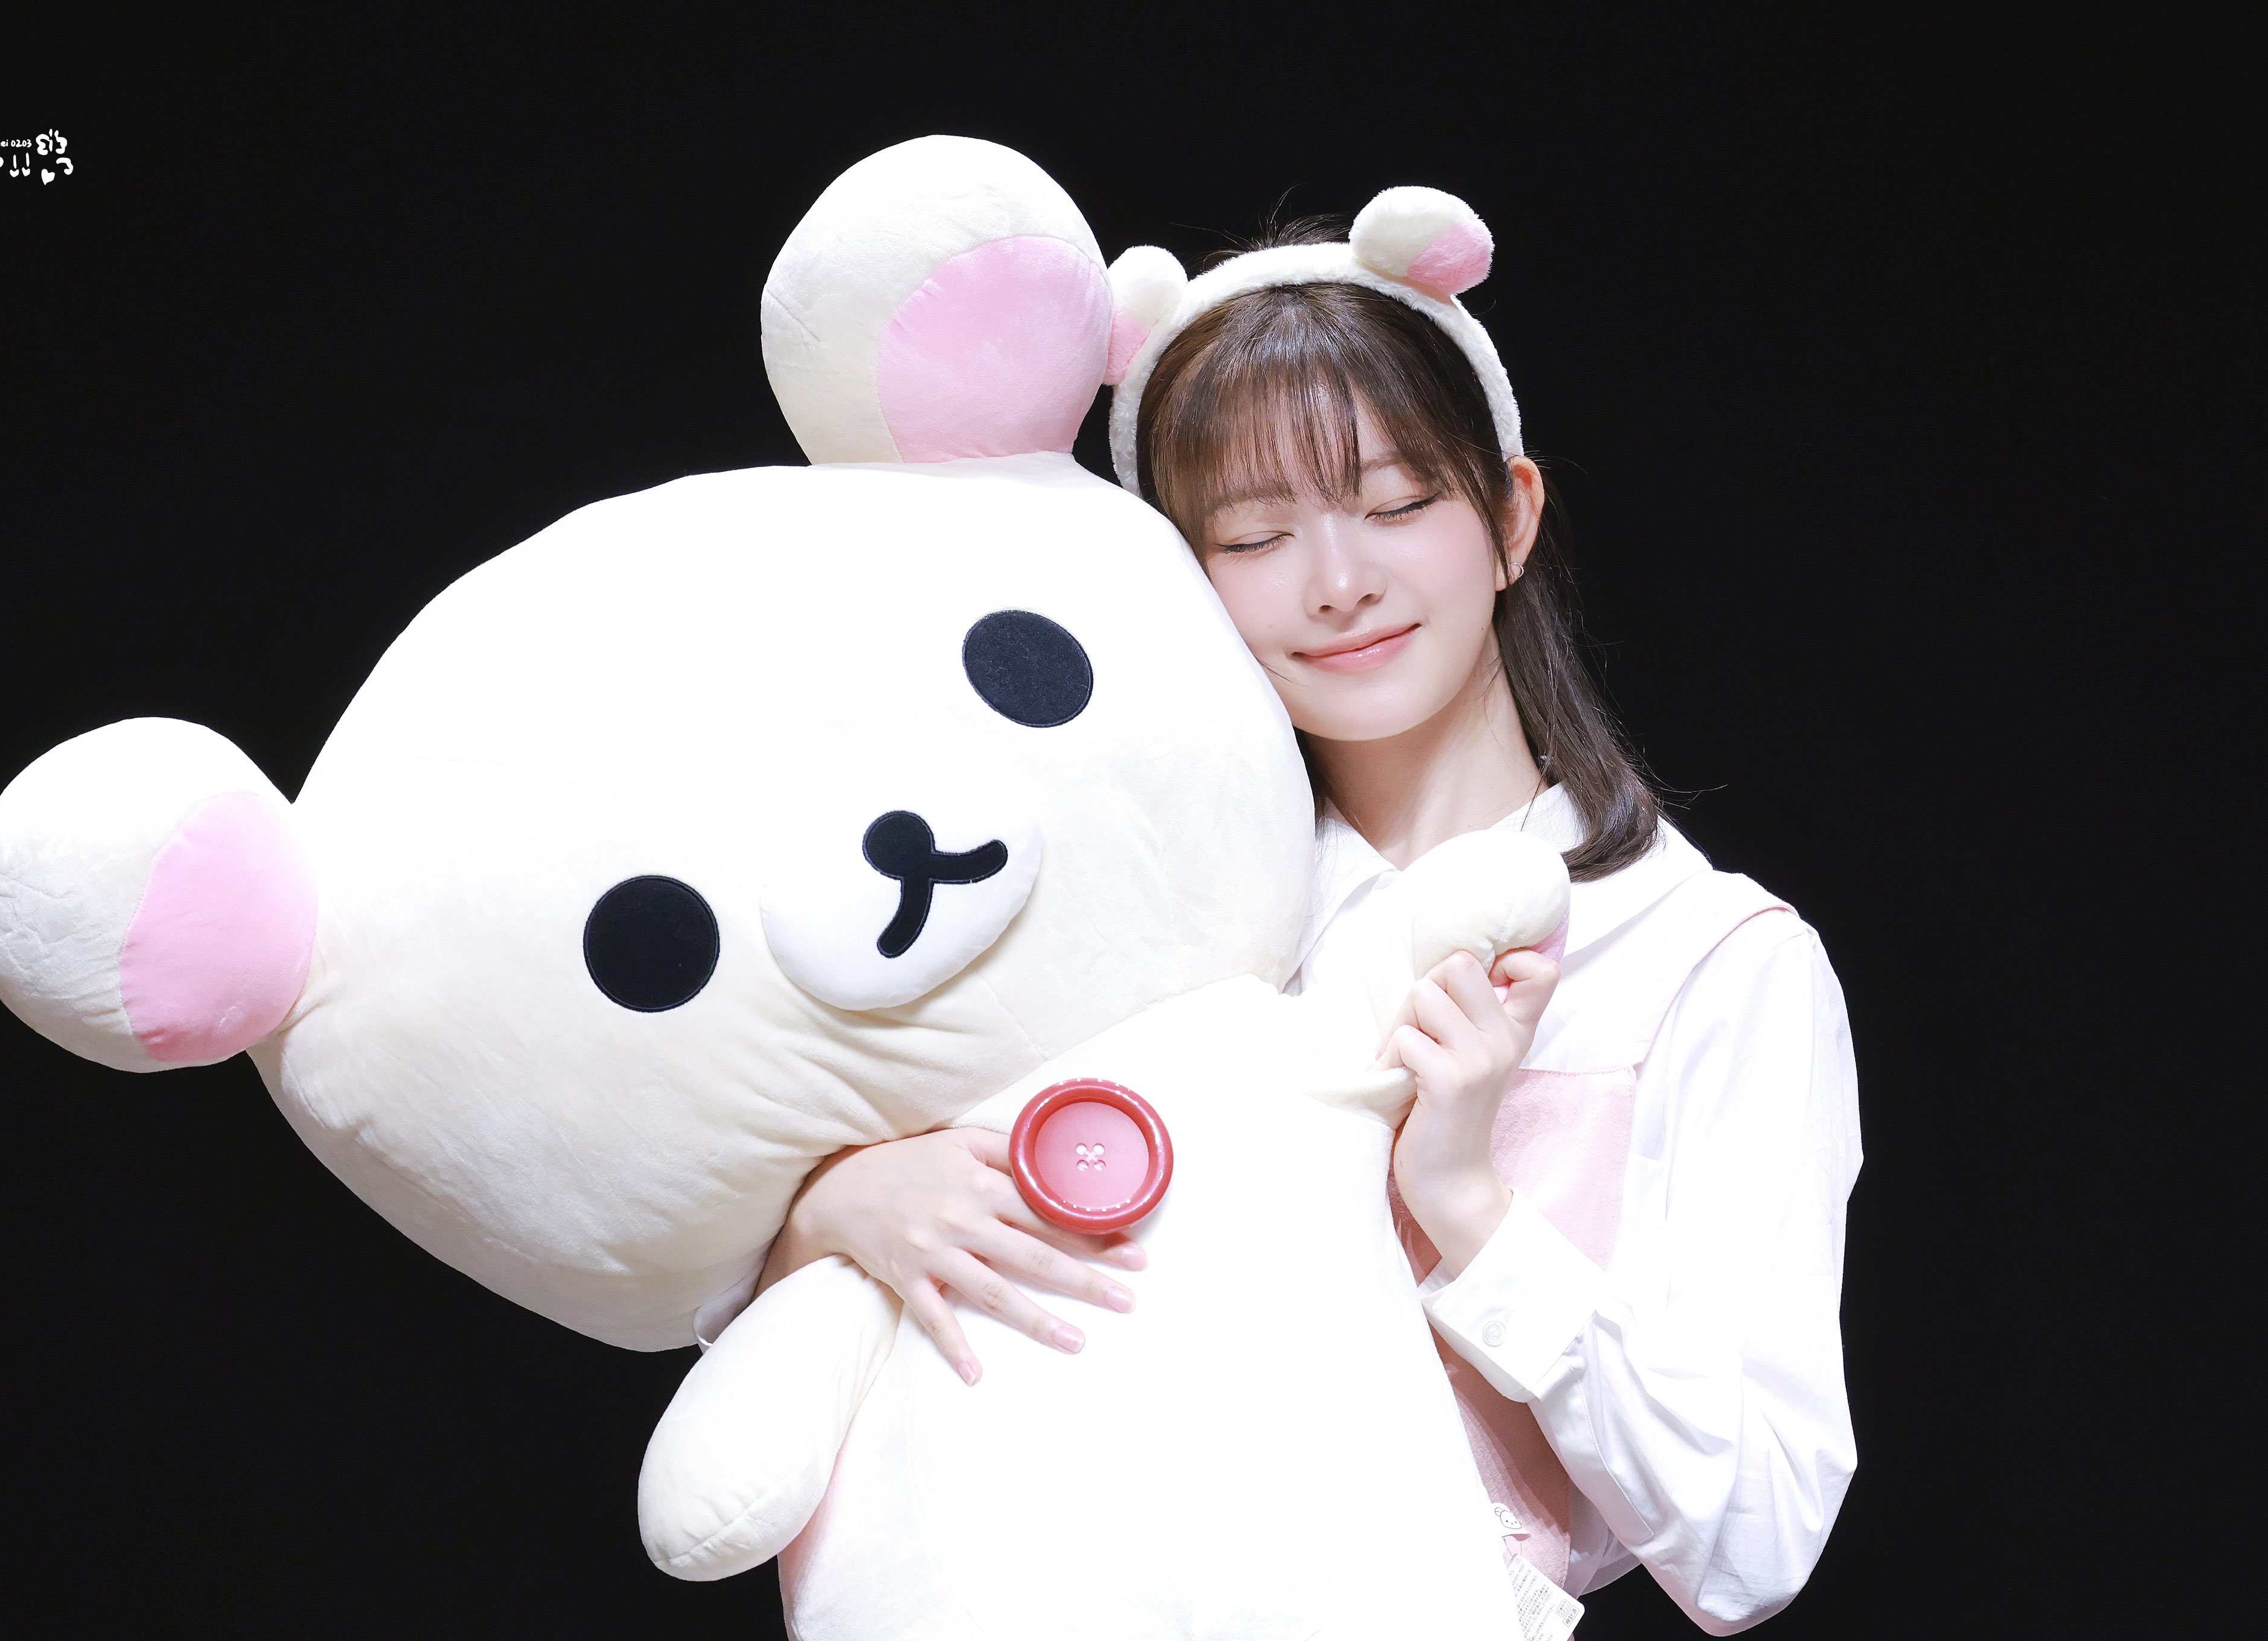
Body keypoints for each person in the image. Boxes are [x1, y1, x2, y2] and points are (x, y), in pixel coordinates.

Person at [753, 202, 1860, 1633]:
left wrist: (1469, 1206)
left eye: (1395, 505)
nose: (1338, 583)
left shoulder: (1701, 960)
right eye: (1254, 534)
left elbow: (1754, 1537)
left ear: (1510, 517)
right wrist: (835, 1211)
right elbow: (765, 1256)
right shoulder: (1114, 910)